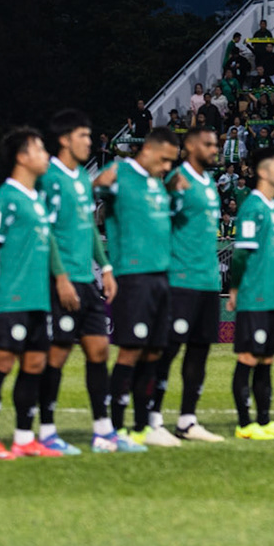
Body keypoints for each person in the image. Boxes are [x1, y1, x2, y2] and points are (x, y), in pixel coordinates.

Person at [0, 127, 82, 458]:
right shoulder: (5, 198)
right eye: (38, 149)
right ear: (22, 157)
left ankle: (23, 438)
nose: (46, 155)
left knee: (35, 365)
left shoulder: (35, 200)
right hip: (12, 297)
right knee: (2, 362)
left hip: (38, 298)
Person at [95, 127, 182, 450]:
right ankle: (113, 430)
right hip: (133, 276)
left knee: (155, 350)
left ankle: (143, 425)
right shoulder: (119, 173)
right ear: (150, 150)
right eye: (165, 160)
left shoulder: (155, 183)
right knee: (131, 349)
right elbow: (92, 191)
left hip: (161, 275)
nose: (166, 168)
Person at [36, 110, 116, 455]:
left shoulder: (83, 180)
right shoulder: (48, 178)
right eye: (84, 136)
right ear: (66, 139)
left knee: (99, 350)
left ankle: (103, 431)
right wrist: (61, 276)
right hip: (62, 281)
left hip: (87, 280)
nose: (90, 142)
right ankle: (47, 431)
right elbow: (45, 231)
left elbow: (88, 229)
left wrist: (106, 267)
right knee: (57, 354)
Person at [228, 146, 274, 440]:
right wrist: (234, 289)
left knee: (267, 360)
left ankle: (265, 420)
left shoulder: (273, 206)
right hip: (254, 295)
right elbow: (241, 255)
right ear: (262, 172)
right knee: (247, 358)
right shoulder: (253, 207)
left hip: (272, 295)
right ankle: (245, 425)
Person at [161, 125, 226, 442]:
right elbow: (160, 226)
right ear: (189, 146)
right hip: (181, 279)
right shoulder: (177, 181)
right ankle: (151, 419)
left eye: (216, 144)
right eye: (208, 144)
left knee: (199, 351)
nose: (215, 149)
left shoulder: (209, 182)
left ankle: (187, 419)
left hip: (207, 281)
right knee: (168, 349)